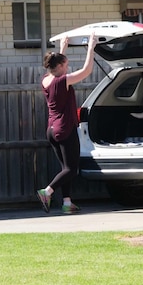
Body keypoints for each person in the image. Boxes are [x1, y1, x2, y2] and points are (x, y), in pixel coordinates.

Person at [37, 31, 98, 214]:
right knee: (72, 169)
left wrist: (63, 48)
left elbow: (58, 65)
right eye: (67, 64)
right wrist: (91, 48)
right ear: (61, 66)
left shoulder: (47, 80)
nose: (68, 66)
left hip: (52, 130)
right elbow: (87, 70)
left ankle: (66, 203)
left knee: (65, 168)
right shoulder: (63, 81)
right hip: (65, 128)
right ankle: (46, 191)